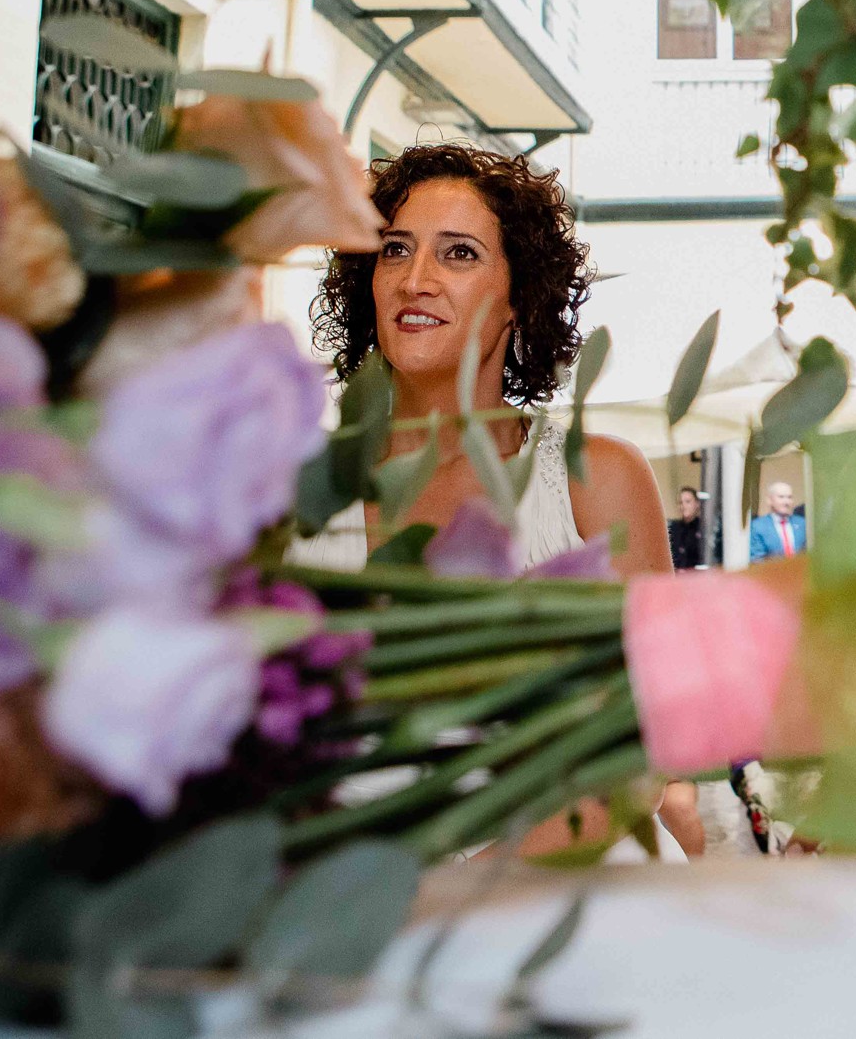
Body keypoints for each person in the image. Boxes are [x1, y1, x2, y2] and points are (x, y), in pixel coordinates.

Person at [294, 142, 690, 858]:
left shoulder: (593, 479)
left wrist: (462, 895)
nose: (416, 279)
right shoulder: (297, 494)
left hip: (554, 901)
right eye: (393, 250)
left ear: (518, 296)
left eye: (459, 254)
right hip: (343, 916)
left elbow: (643, 746)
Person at [746, 482, 807, 563]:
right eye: (781, 497)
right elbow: (757, 559)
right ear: (769, 500)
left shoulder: (802, 523)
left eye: (789, 497)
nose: (786, 502)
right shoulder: (758, 526)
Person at [667, 485, 714, 570]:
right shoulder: (673, 528)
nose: (684, 506)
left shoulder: (704, 529)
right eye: (681, 502)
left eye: (688, 501)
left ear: (697, 504)